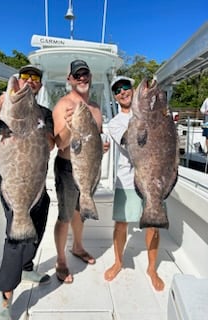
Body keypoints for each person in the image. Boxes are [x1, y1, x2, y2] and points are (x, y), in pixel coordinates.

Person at [0, 64, 55, 319]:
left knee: (39, 223)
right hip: (11, 178)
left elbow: (51, 143)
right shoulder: (2, 101)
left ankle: (26, 267)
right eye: (25, 76)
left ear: (40, 85)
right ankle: (5, 299)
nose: (30, 81)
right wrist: (2, 103)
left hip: (36, 179)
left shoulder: (44, 112)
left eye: (35, 78)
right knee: (15, 236)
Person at [104, 76, 165, 291]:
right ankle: (119, 261)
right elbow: (130, 143)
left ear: (133, 90)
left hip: (154, 177)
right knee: (121, 224)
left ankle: (151, 268)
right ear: (115, 97)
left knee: (153, 224)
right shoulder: (114, 123)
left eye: (126, 87)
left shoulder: (151, 113)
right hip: (127, 179)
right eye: (118, 90)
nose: (123, 92)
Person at [52, 59, 109, 284]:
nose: (82, 78)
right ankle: (60, 260)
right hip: (67, 168)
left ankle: (77, 247)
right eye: (77, 75)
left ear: (90, 77)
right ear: (70, 80)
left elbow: (95, 138)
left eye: (85, 74)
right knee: (65, 216)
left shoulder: (95, 108)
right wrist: (68, 126)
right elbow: (59, 143)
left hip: (90, 166)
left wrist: (101, 146)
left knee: (80, 210)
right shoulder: (63, 105)